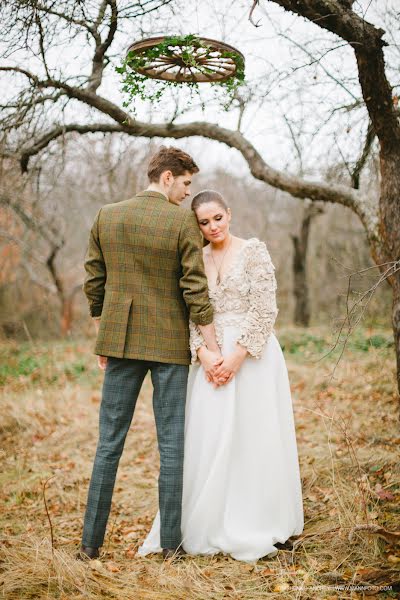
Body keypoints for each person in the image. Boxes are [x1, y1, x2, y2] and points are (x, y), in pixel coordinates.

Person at [138, 189, 304, 562]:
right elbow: (191, 311)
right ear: (195, 225)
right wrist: (206, 354)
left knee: (253, 435)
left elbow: (266, 309)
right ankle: (208, 519)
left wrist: (235, 359)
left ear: (229, 213)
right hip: (210, 361)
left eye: (218, 218)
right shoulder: (194, 258)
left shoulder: (253, 251)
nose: (213, 226)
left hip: (252, 358)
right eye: (204, 222)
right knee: (209, 438)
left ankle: (258, 516)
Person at [79, 148, 224, 561]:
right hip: (168, 345)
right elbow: (194, 287)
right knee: (172, 446)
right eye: (185, 183)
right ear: (166, 178)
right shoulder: (182, 222)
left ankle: (91, 545)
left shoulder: (108, 215)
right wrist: (213, 348)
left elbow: (95, 278)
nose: (187, 193)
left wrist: (103, 334)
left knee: (108, 444)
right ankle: (171, 547)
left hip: (121, 343)